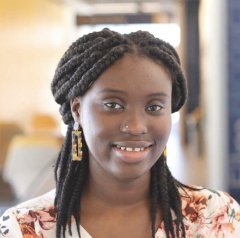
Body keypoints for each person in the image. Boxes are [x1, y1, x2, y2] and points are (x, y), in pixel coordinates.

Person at [0, 28, 239, 238]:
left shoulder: (215, 215)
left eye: (154, 107)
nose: (135, 126)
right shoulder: (25, 228)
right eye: (113, 105)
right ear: (77, 110)